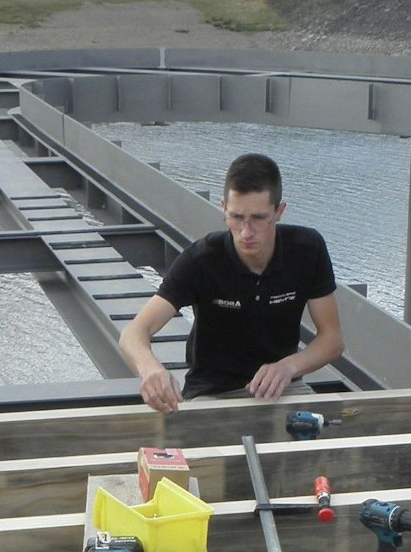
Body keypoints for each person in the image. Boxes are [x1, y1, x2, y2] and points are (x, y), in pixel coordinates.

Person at [120, 153, 344, 413]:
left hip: (282, 389)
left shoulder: (308, 249)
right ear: (223, 208)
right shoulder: (201, 260)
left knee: (324, 439)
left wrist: (288, 366)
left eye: (259, 218)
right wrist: (150, 369)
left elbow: (332, 339)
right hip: (213, 393)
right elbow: (133, 333)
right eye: (236, 218)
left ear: (279, 211)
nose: (246, 232)